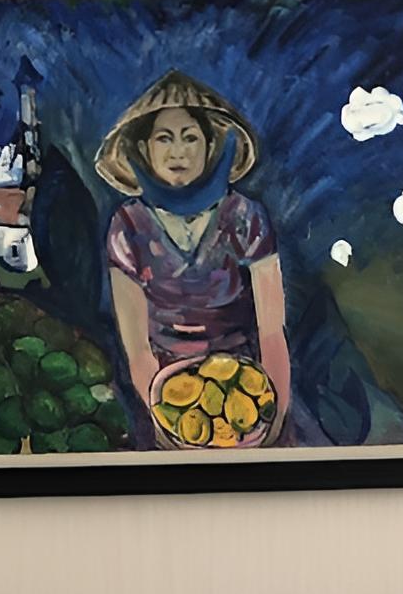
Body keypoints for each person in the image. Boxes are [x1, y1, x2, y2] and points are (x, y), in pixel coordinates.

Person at [96, 73, 292, 445]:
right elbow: (137, 349)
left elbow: (271, 331)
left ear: (210, 146)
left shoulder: (246, 217)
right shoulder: (127, 225)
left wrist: (275, 414)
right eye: (164, 139)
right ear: (145, 148)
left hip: (246, 388)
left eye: (190, 138)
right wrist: (166, 420)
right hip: (161, 393)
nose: (178, 152)